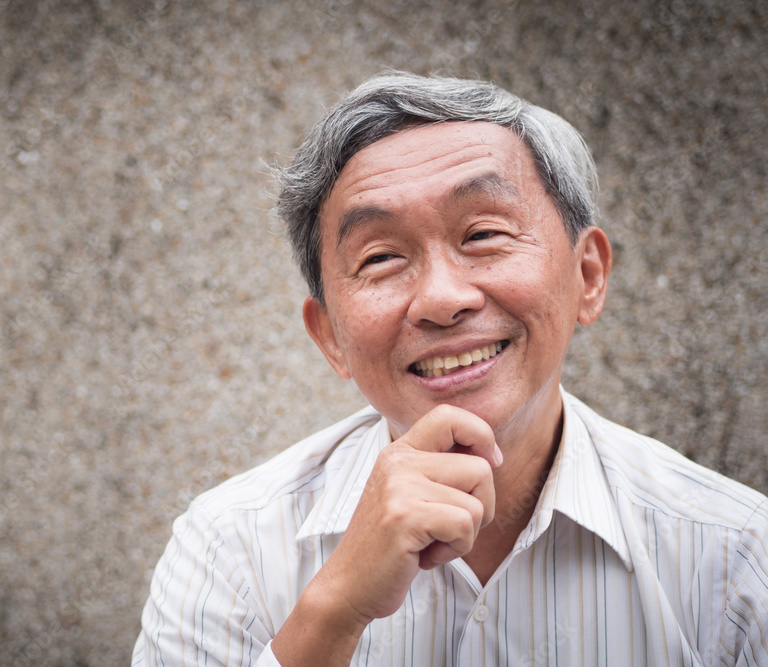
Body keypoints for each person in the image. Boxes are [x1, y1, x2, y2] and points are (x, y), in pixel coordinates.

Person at [132, 72, 768, 666]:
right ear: (330, 338)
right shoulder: (228, 546)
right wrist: (334, 610)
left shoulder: (736, 557)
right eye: (380, 257)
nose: (441, 298)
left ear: (587, 276)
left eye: (483, 234)